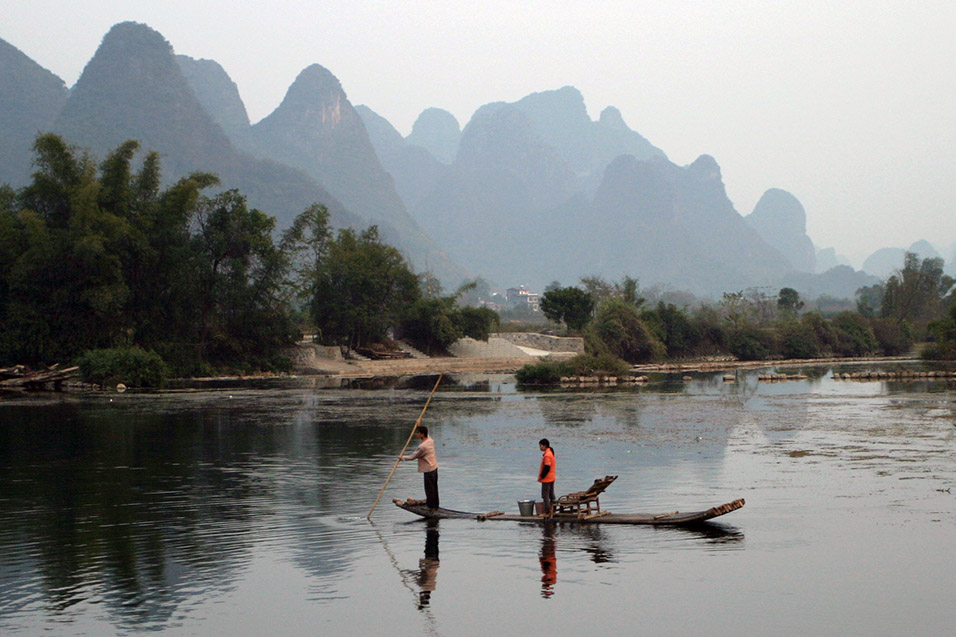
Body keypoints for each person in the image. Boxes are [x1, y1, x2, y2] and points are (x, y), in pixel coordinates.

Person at [400, 426, 439, 509]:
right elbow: (428, 434)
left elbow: (413, 456)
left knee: (429, 489)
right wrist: (419, 424)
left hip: (429, 469)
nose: (417, 434)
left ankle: (431, 506)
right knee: (434, 488)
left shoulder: (423, 447)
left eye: (418, 433)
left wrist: (402, 458)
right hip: (434, 467)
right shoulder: (430, 440)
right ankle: (435, 504)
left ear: (422, 434)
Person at [538, 438, 556, 517]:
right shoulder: (551, 453)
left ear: (545, 446)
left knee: (545, 495)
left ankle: (547, 512)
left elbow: (547, 467)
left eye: (541, 445)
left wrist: (542, 476)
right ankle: (553, 509)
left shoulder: (547, 455)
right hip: (552, 477)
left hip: (547, 478)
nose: (540, 447)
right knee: (551, 494)